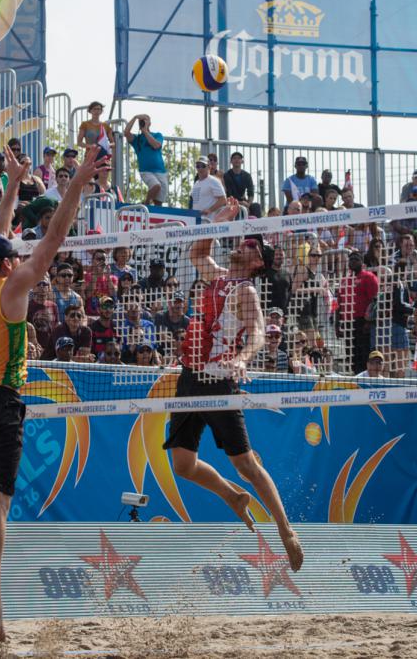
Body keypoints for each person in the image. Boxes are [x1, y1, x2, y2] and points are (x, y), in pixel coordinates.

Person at [0, 145, 103, 642]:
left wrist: (13, 185)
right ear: (8, 267)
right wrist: (76, 183)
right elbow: (54, 238)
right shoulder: (11, 291)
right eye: (14, 257)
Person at [165, 236, 303, 571]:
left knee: (247, 466)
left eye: (249, 245)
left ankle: (286, 531)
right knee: (183, 466)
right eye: (240, 240)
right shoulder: (218, 276)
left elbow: (257, 332)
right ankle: (232, 496)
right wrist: (218, 222)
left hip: (219, 381)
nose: (240, 245)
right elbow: (196, 251)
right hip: (189, 378)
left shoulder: (246, 290)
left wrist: (243, 359)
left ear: (258, 261)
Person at [125, 114, 166, 206]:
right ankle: (146, 203)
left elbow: (156, 145)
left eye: (145, 120)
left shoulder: (157, 135)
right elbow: (126, 133)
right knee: (156, 186)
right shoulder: (137, 139)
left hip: (161, 171)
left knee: (159, 202)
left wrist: (145, 131)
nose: (142, 122)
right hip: (146, 171)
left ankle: (154, 214)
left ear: (150, 123)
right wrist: (135, 117)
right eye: (141, 121)